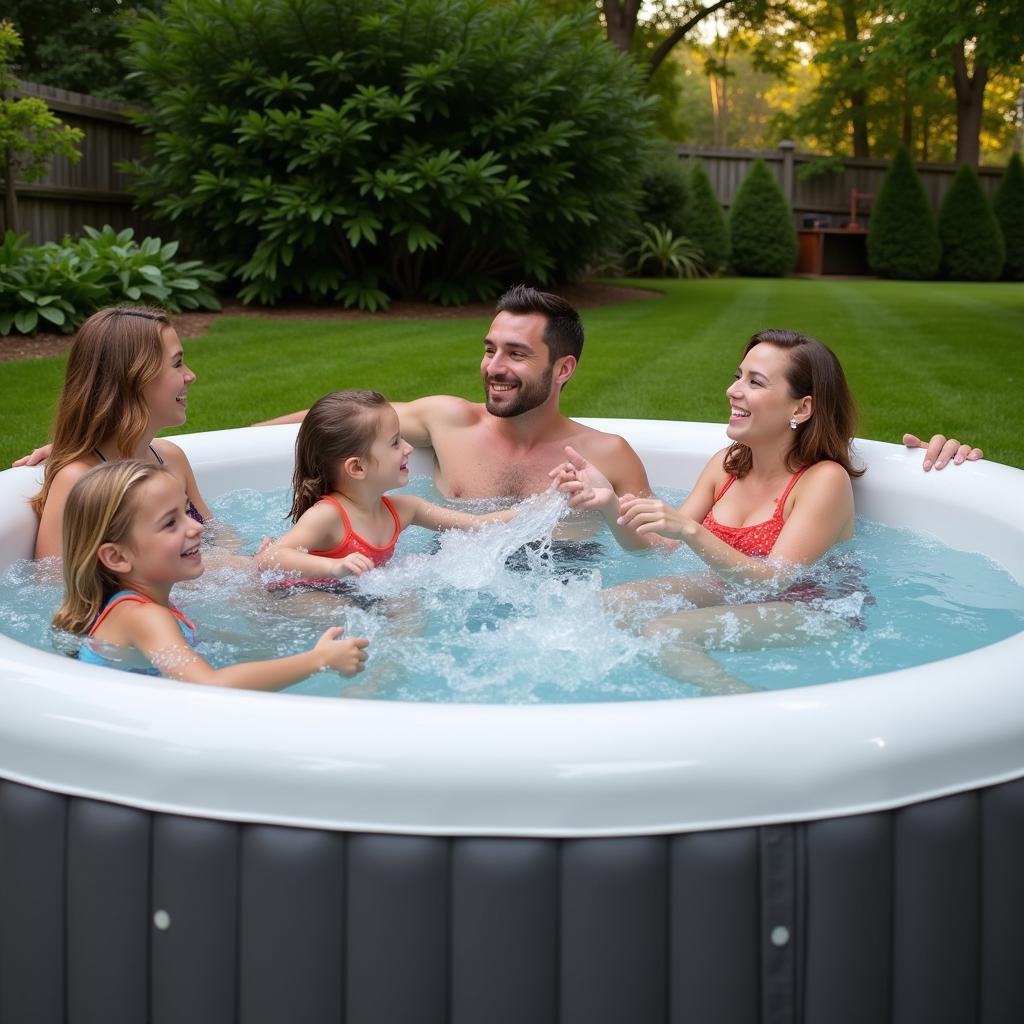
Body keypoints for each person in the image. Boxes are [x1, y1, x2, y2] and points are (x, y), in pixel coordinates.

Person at [553, 328, 871, 694]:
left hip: (816, 606)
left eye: (755, 382)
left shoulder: (823, 479)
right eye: (738, 376)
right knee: (609, 604)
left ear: (801, 407)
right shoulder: (727, 466)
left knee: (664, 633)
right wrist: (608, 502)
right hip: (737, 589)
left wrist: (691, 531)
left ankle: (743, 706)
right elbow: (656, 548)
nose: (733, 390)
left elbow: (775, 578)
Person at [53, 460, 369, 688]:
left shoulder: (147, 604)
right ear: (117, 557)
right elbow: (210, 686)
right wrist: (317, 660)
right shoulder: (143, 616)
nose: (197, 527)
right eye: (170, 523)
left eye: (186, 511)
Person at [257, 390, 521, 586]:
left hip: (345, 593)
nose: (408, 448)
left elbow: (477, 524)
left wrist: (548, 504)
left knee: (404, 602)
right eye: (395, 443)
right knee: (342, 609)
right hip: (295, 595)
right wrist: (333, 566)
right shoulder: (328, 516)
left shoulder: (405, 509)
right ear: (357, 468)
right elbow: (271, 557)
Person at [28, 306, 214, 560]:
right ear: (133, 377)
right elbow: (52, 585)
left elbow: (217, 537)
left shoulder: (171, 458)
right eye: (177, 363)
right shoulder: (79, 480)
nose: (190, 375)